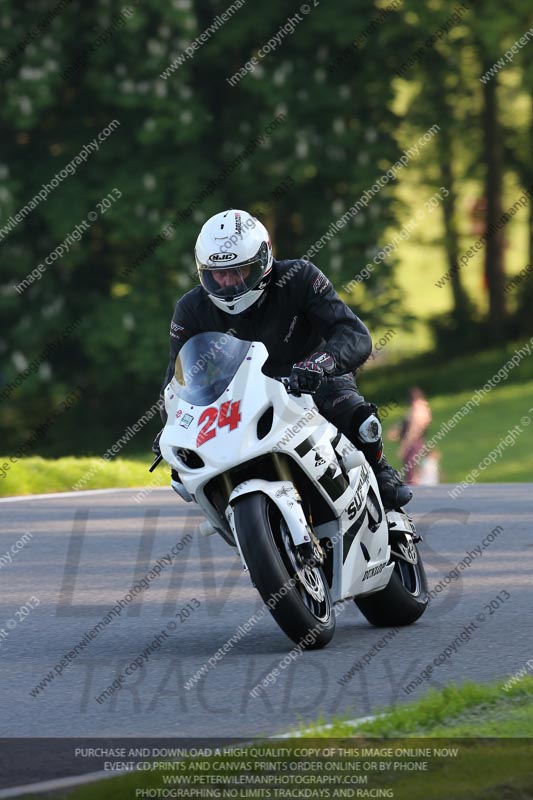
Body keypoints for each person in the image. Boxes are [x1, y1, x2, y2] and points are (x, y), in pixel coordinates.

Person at [154, 209, 412, 509]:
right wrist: (172, 424)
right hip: (239, 402)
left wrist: (322, 363)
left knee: (358, 417)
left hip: (311, 378)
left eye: (239, 272)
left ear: (262, 262)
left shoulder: (299, 277)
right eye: (217, 274)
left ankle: (380, 471)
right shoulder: (191, 309)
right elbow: (178, 379)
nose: (227, 283)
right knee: (188, 471)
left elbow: (353, 333)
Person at [388, 387, 432, 484]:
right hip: (418, 442)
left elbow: (413, 430)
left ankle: (415, 491)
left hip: (414, 443)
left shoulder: (418, 409)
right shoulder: (422, 408)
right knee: (413, 468)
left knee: (411, 470)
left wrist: (404, 446)